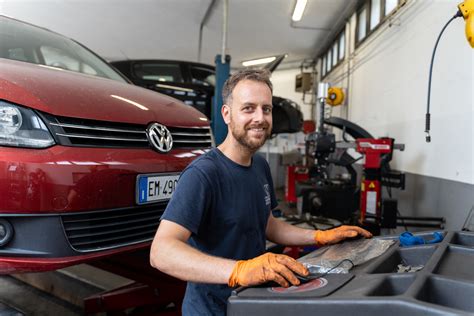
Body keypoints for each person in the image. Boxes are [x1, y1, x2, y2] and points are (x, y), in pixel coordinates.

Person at [150, 69, 372, 315]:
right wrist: (239, 271)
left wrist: (319, 237)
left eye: (265, 109)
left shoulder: (259, 166)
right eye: (248, 108)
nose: (260, 117)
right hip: (212, 309)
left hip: (253, 303)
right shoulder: (203, 174)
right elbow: (161, 252)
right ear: (227, 114)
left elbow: (268, 225)